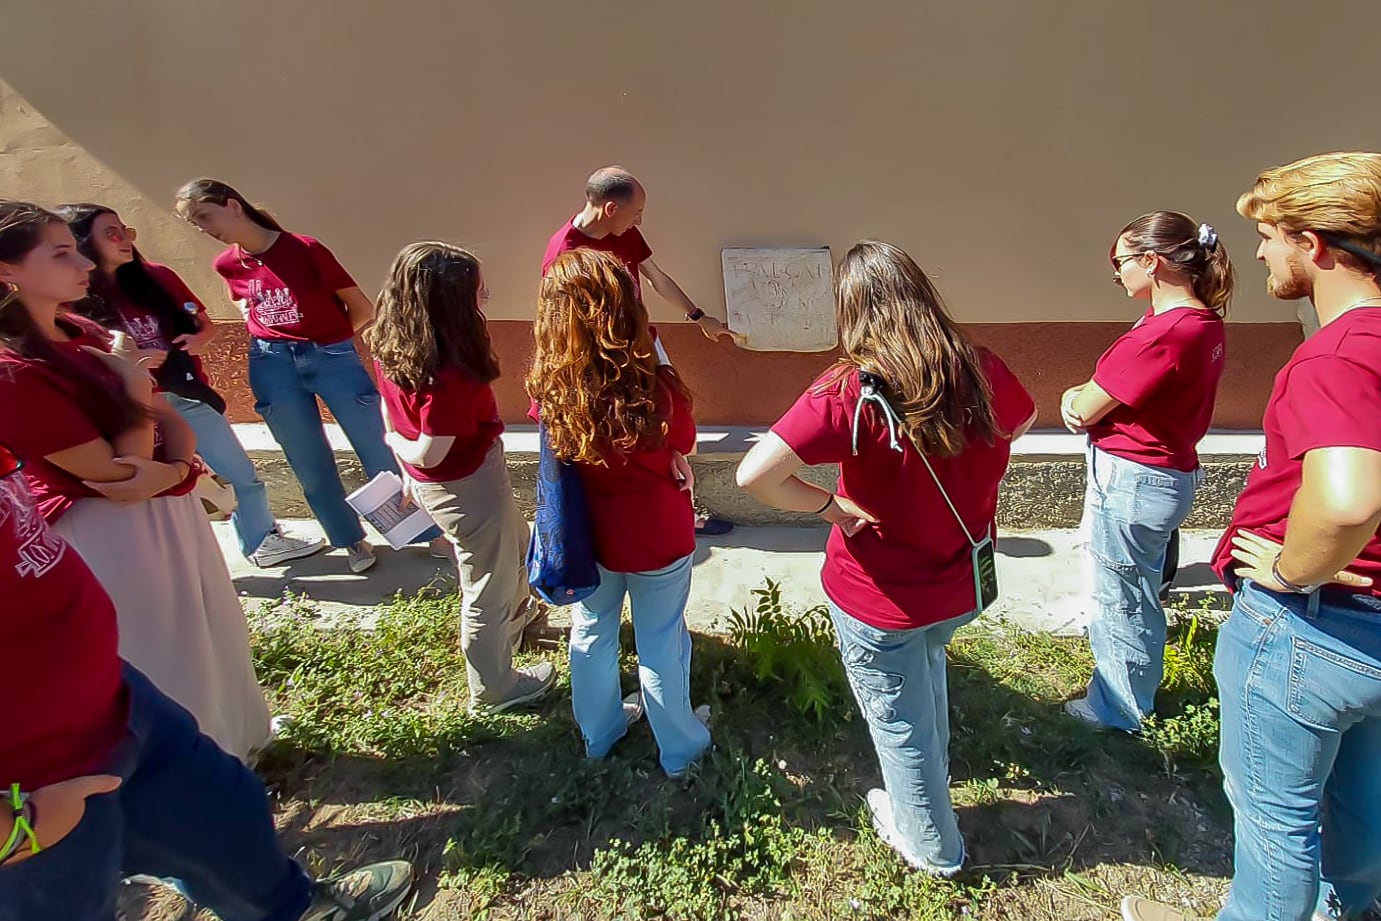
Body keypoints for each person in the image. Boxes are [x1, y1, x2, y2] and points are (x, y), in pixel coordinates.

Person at [0, 437, 413, 921]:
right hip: (30, 786)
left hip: (111, 700)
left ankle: (294, 910)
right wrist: (17, 829)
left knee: (224, 814)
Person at [1122, 153, 1381, 921]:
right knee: (1362, 798)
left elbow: (1344, 501)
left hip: (1311, 625)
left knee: (1275, 822)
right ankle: (1350, 907)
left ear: (1317, 245)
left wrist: (1290, 569)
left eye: (1270, 236)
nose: (1261, 253)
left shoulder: (1337, 354)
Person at [737, 241, 1037, 875]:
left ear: (852, 310)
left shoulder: (849, 392)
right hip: (960, 578)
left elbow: (754, 474)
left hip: (880, 592)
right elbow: (1023, 420)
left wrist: (828, 507)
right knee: (927, 674)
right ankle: (930, 785)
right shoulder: (980, 367)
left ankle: (934, 847)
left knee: (899, 722)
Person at [0, 200, 270, 762]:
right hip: (111, 532)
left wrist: (168, 459)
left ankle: (238, 749)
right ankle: (195, 773)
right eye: (61, 253)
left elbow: (162, 430)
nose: (84, 264)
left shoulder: (79, 329)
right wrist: (136, 399)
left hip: (165, 505)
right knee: (166, 653)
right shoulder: (15, 373)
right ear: (8, 273)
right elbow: (114, 475)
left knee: (210, 629)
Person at [174, 178, 441, 573]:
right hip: (270, 364)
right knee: (308, 460)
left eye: (203, 216)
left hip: (331, 355)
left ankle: (423, 533)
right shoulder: (227, 264)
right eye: (194, 223)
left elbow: (361, 308)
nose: (203, 228)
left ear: (232, 205)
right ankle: (350, 541)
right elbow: (245, 306)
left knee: (377, 447)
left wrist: (330, 342)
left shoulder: (303, 249)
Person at [56, 202, 324, 567]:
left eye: (125, 230)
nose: (124, 239)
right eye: (110, 233)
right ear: (81, 243)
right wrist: (126, 365)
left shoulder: (157, 278)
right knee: (153, 489)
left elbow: (202, 323)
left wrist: (198, 341)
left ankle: (262, 541)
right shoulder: (70, 301)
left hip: (184, 397)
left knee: (240, 476)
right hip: (124, 412)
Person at [528, 248, 711, 776]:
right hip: (657, 533)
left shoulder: (551, 389)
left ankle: (600, 734)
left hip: (588, 535)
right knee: (661, 641)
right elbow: (684, 441)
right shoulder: (655, 387)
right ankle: (680, 748)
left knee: (591, 630)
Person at [1060, 211, 1233, 732]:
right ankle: (1132, 688)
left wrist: (1072, 395)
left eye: (1121, 264)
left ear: (1152, 262)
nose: (1118, 276)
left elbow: (1085, 407)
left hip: (1134, 477)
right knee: (1137, 588)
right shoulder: (1201, 322)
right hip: (1167, 470)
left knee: (1122, 597)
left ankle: (1120, 709)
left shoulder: (1165, 333)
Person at [368, 241, 554, 712]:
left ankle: (517, 619)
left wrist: (405, 466)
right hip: (465, 483)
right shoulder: (449, 372)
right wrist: (401, 452)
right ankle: (494, 687)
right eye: (477, 290)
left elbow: (391, 413)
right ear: (449, 302)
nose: (485, 294)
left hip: (457, 477)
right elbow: (431, 451)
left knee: (515, 543)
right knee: (486, 583)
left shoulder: (394, 341)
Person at [542, 165, 739, 536]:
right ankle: (649, 510)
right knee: (636, 429)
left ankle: (682, 503)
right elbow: (560, 320)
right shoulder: (564, 253)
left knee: (673, 416)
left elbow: (657, 278)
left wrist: (699, 317)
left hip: (642, 340)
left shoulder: (625, 234)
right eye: (637, 213)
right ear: (610, 209)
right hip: (605, 359)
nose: (641, 221)